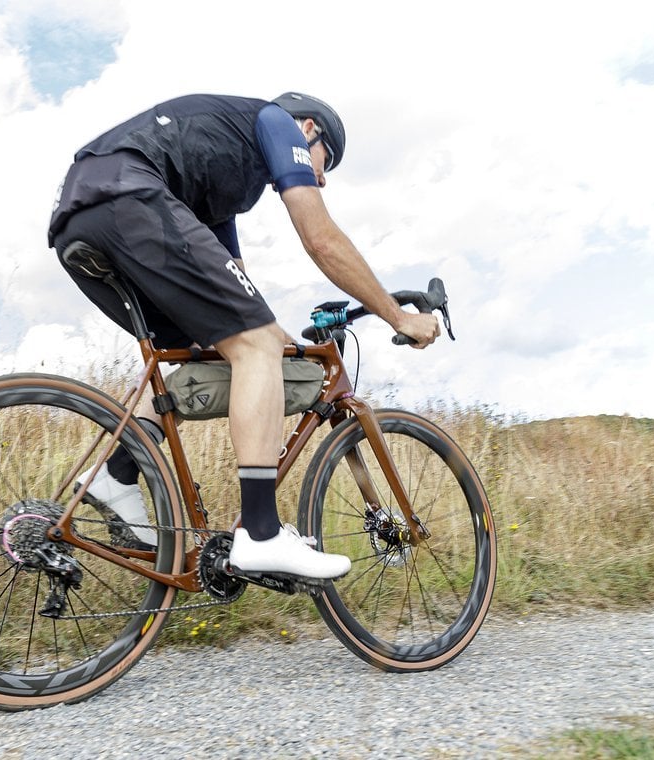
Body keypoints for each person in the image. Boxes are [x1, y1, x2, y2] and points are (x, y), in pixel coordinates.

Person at [47, 92, 440, 581]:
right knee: (256, 344)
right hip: (129, 196)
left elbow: (236, 285)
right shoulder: (276, 121)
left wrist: (279, 339)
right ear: (309, 129)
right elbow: (320, 237)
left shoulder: (220, 186)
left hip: (81, 214)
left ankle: (116, 474)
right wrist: (395, 315)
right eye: (325, 161)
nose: (320, 176)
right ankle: (260, 532)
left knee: (218, 347)